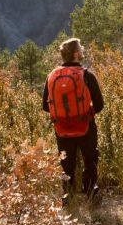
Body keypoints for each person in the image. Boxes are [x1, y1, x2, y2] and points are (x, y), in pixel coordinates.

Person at [42, 38, 104, 205]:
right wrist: (85, 111)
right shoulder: (86, 75)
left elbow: (45, 106)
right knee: (89, 158)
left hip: (61, 128)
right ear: (76, 54)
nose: (83, 50)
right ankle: (90, 191)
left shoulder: (52, 76)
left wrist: (64, 113)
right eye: (81, 48)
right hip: (85, 125)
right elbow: (99, 105)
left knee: (66, 162)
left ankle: (67, 196)